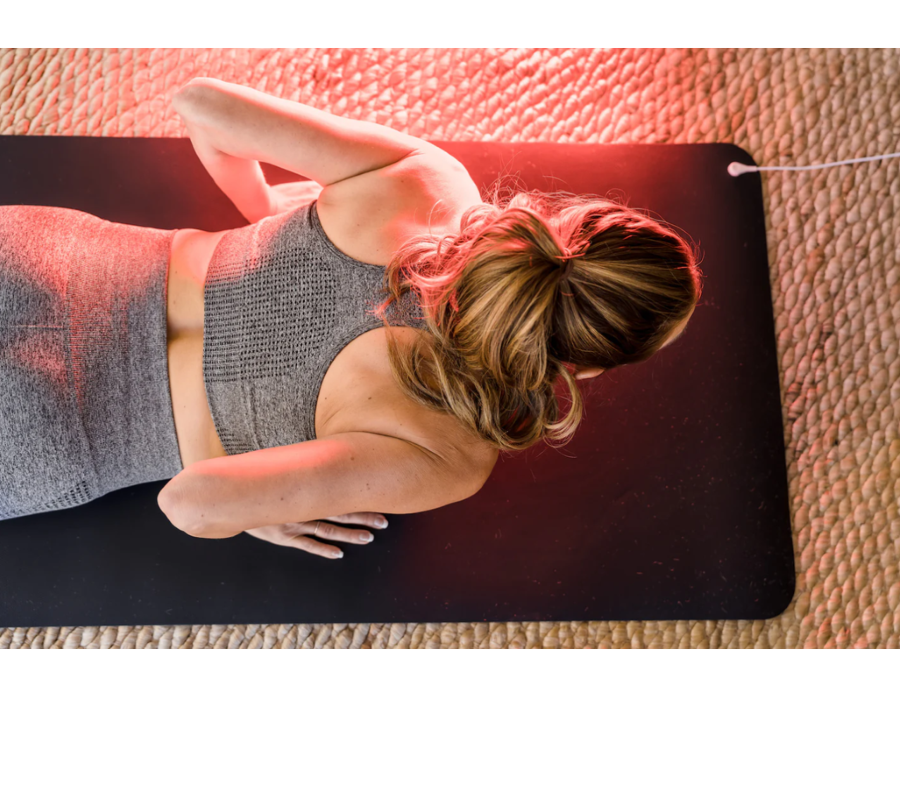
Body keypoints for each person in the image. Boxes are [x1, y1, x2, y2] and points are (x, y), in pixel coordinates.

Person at [0, 78, 702, 562]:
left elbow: (203, 105)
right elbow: (192, 504)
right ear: (587, 362)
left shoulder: (427, 181)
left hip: (48, 261)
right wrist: (260, 508)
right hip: (55, 428)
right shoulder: (450, 454)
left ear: (564, 223)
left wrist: (266, 216)